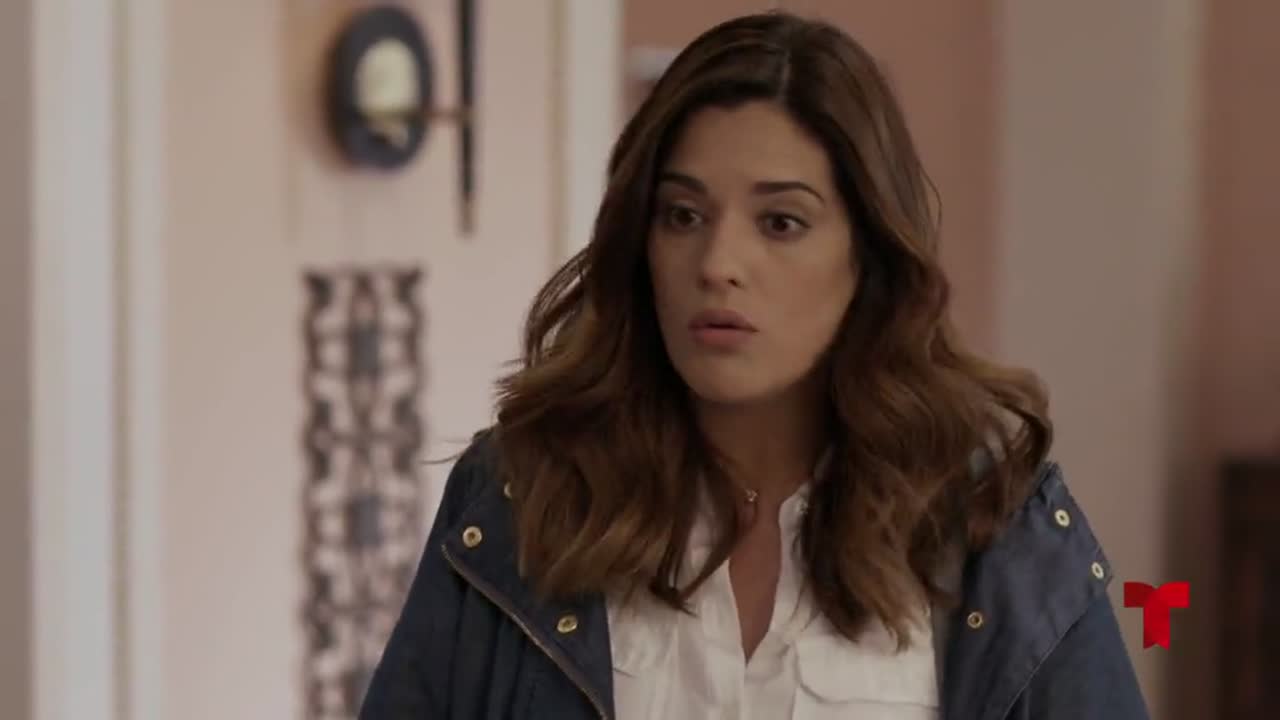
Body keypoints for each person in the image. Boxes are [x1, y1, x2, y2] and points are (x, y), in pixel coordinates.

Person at [360, 11, 1149, 720]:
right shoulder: (520, 499)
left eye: (780, 222)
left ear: (867, 253)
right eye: (683, 215)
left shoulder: (997, 528)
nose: (718, 263)